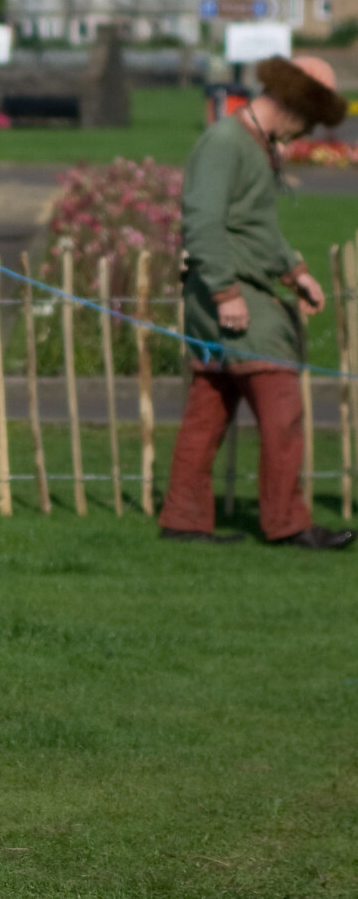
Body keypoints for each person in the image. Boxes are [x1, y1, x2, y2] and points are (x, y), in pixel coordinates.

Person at [160, 55, 352, 550]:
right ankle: (288, 523)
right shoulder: (225, 142)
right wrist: (226, 293)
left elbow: (255, 227)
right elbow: (201, 222)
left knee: (210, 404)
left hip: (234, 292)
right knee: (281, 404)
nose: (305, 131)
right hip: (229, 296)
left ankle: (183, 520)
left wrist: (296, 273)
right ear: (292, 106)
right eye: (307, 120)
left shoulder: (256, 144)